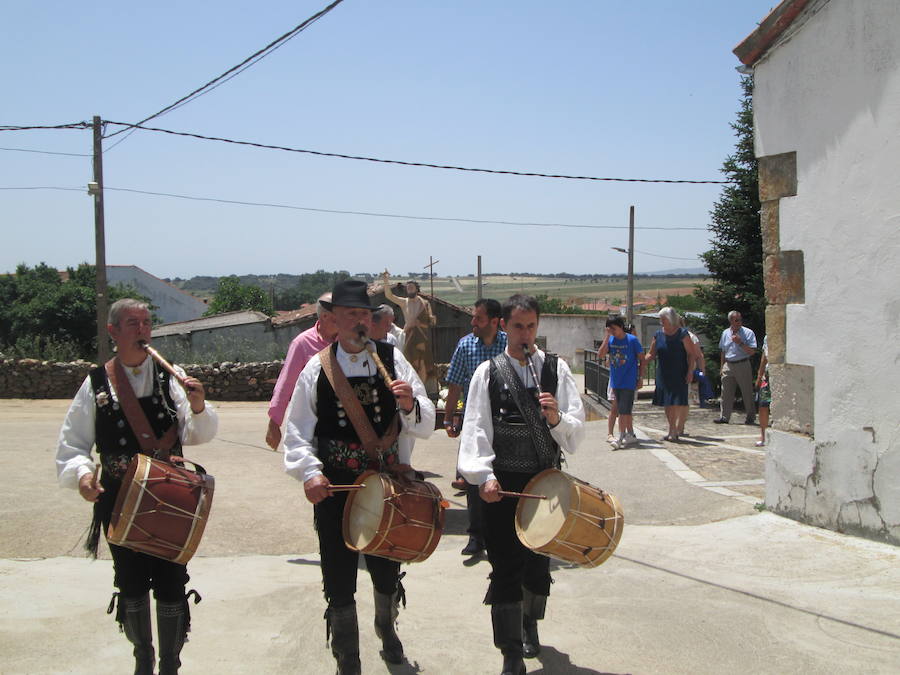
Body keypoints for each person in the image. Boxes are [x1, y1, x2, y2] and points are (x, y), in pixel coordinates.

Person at [56, 298, 218, 675]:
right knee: (129, 581)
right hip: (119, 500)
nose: (143, 330)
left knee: (171, 580)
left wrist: (197, 406)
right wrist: (82, 475)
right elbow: (72, 443)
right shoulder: (96, 383)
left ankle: (170, 665)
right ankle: (142, 659)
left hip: (170, 496)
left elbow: (196, 434)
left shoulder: (170, 377)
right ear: (113, 332)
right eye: (133, 323)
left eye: (146, 323)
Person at [283, 279, 435, 674]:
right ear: (333, 321)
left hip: (387, 486)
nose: (360, 323)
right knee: (338, 574)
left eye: (365, 315)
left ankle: (387, 629)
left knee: (386, 569)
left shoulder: (393, 359)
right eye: (351, 316)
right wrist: (309, 473)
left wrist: (410, 404)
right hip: (336, 489)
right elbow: (296, 433)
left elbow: (424, 422)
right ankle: (347, 658)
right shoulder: (317, 369)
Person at [457, 294, 584, 675]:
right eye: (517, 326)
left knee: (536, 564)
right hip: (501, 486)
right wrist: (483, 476)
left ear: (538, 326)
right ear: (503, 327)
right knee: (505, 565)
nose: (525, 334)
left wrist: (557, 418)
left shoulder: (555, 371)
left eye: (531, 326)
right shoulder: (489, 372)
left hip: (544, 483)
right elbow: (476, 429)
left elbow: (575, 436)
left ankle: (531, 625)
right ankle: (510, 651)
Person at [444, 298, 507, 557]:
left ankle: (500, 536)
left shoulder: (509, 344)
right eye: (473, 317)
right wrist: (449, 418)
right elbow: (455, 384)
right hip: (474, 423)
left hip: (504, 424)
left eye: (478, 319)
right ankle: (476, 536)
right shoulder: (465, 346)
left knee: (500, 478)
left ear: (494, 322)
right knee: (473, 480)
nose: (473, 323)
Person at [265, 293, 337, 450]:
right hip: (311, 422)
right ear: (325, 316)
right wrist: (274, 423)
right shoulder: (302, 343)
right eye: (339, 314)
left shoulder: (348, 342)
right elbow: (286, 383)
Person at [645, 306, 697, 442]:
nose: (661, 321)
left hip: (679, 372)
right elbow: (651, 353)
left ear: (670, 319)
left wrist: (690, 371)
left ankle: (673, 430)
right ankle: (672, 429)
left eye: (663, 319)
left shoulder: (682, 334)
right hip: (663, 372)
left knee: (675, 402)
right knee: (667, 403)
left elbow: (692, 354)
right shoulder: (658, 335)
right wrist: (640, 362)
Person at [382, 272, 436, 391]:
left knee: (422, 362)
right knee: (409, 362)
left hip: (421, 336)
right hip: (408, 335)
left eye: (412, 287)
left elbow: (431, 321)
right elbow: (389, 295)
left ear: (416, 289)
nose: (409, 289)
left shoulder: (424, 303)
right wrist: (386, 280)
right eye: (408, 288)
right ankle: (412, 387)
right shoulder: (404, 302)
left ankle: (422, 388)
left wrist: (423, 322)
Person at [597, 316, 644, 449]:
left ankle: (622, 436)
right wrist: (607, 337)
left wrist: (640, 377)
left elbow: (642, 359)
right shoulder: (611, 339)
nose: (612, 331)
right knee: (622, 410)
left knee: (624, 410)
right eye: (610, 329)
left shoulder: (632, 340)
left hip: (628, 380)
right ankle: (627, 435)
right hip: (616, 381)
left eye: (614, 328)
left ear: (620, 327)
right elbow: (600, 354)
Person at [714, 310, 758, 425]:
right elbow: (723, 350)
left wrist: (740, 343)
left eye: (740, 319)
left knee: (746, 391)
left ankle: (750, 416)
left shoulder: (748, 333)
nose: (739, 322)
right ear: (731, 321)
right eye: (736, 320)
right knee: (726, 392)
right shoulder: (725, 333)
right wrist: (722, 366)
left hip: (742, 363)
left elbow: (752, 351)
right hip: (728, 364)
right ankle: (724, 416)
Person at [755, 335, 770, 446]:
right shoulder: (766, 337)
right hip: (767, 375)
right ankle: (763, 436)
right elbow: (764, 357)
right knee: (762, 405)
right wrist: (760, 375)